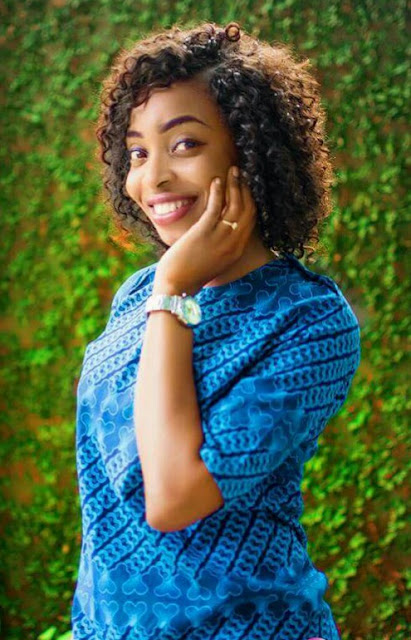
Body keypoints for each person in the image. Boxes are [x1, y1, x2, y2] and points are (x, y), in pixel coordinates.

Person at [71, 21, 361, 640]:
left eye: (184, 144)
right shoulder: (139, 296)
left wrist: (175, 290)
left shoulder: (309, 320)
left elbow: (173, 498)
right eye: (138, 152)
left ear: (249, 153)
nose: (153, 178)